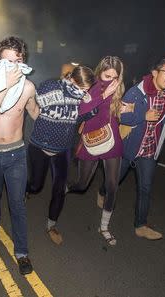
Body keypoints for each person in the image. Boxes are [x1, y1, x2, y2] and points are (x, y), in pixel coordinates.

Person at [104, 56, 165, 240]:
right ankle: (103, 191)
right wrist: (143, 115)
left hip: (149, 151)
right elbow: (119, 116)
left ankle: (140, 225)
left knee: (146, 188)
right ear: (155, 72)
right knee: (114, 182)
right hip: (128, 148)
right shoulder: (136, 93)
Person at [0, 36, 39, 275]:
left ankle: (22, 252)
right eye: (7, 61)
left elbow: (35, 113)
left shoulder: (28, 87)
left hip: (15, 156)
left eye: (18, 61)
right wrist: (6, 86)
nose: (12, 67)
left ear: (23, 61)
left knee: (18, 205)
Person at [26, 65, 96, 245]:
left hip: (63, 149)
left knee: (59, 189)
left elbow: (81, 116)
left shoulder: (83, 99)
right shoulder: (50, 87)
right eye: (83, 89)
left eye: (88, 90)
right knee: (36, 185)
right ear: (73, 80)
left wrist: (94, 110)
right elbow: (32, 104)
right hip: (39, 146)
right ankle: (27, 190)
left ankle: (51, 225)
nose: (85, 93)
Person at [66, 56, 128, 246]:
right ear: (100, 71)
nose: (110, 79)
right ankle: (67, 187)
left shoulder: (118, 87)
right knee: (82, 184)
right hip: (91, 140)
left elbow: (114, 112)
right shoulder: (91, 85)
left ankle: (104, 226)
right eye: (107, 75)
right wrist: (103, 95)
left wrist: (125, 109)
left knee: (112, 185)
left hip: (112, 138)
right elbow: (82, 111)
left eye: (115, 76)